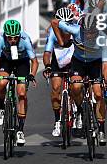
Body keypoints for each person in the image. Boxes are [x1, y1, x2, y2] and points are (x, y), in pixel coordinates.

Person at [51, 0, 107, 146]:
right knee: (75, 88)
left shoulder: (102, 38)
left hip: (95, 64)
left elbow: (105, 64)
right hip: (78, 62)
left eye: (92, 32)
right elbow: (55, 22)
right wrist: (62, 42)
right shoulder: (75, 30)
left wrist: (105, 81)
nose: (89, 35)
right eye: (86, 32)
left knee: (98, 94)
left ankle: (102, 129)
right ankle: (79, 110)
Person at [0, 19, 38, 146]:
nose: (12, 40)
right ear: (5, 35)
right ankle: (2, 108)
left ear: (19, 35)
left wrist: (32, 75)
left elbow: (35, 62)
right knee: (1, 83)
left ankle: (20, 130)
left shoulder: (25, 39)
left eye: (15, 38)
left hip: (22, 62)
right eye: (10, 38)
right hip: (6, 61)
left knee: (21, 94)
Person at [43, 7, 76, 137]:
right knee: (56, 88)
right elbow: (47, 54)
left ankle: (77, 110)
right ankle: (57, 121)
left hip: (74, 59)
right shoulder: (52, 33)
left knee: (76, 85)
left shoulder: (75, 30)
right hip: (58, 60)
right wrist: (47, 66)